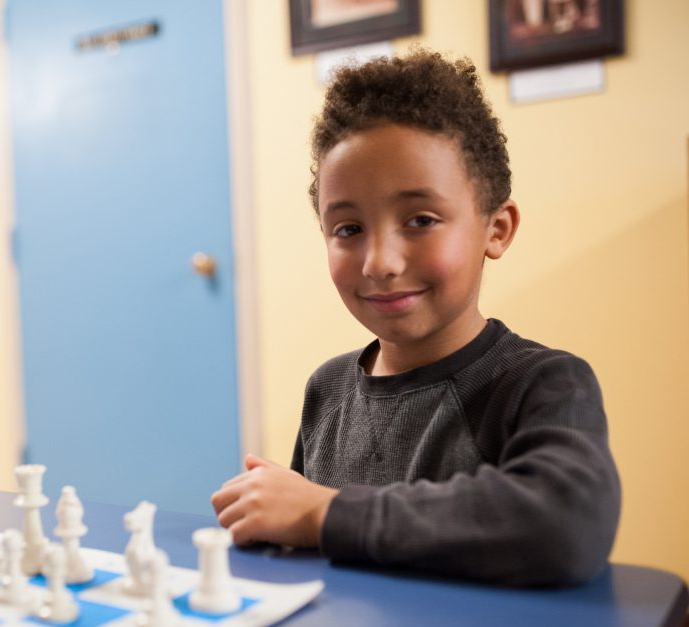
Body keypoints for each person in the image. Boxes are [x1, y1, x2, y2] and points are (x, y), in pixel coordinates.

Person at [210, 50, 620, 586]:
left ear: (496, 229)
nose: (380, 262)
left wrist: (323, 513)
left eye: (421, 220)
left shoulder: (541, 384)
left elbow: (567, 525)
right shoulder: (327, 390)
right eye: (348, 228)